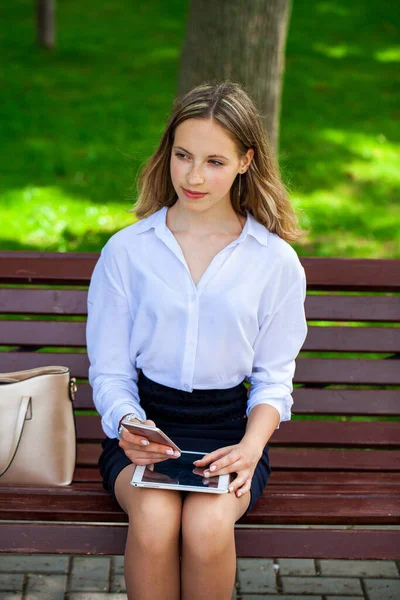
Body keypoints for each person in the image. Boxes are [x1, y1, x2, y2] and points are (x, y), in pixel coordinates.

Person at [86, 81, 308, 600]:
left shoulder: (273, 261)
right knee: (156, 517)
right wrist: (128, 424)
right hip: (146, 430)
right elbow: (111, 371)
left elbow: (274, 378)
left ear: (246, 161)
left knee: (209, 526)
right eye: (183, 155)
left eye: (214, 161)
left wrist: (251, 449)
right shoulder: (128, 252)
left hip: (231, 434)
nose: (193, 175)